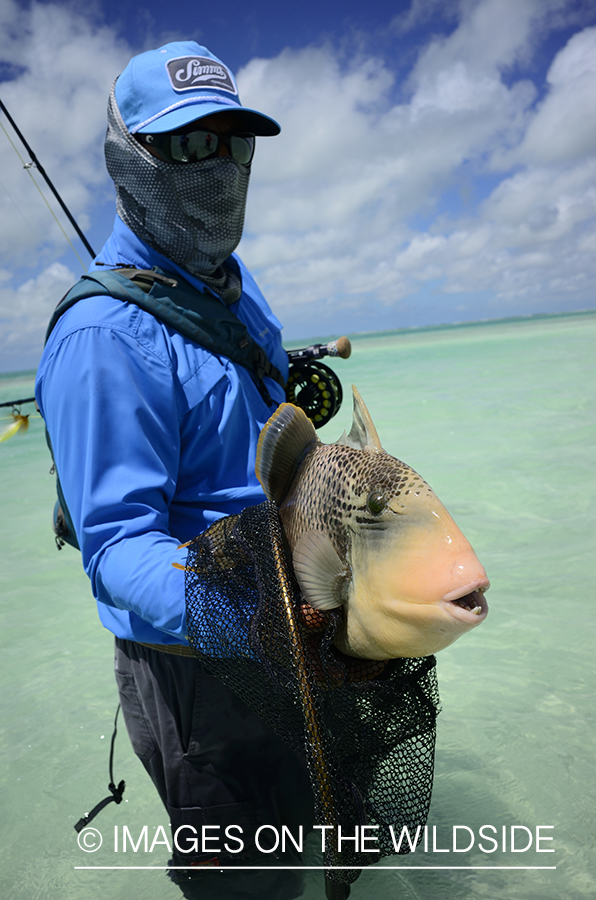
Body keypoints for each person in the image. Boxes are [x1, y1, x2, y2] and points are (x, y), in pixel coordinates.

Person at [35, 41, 313, 898]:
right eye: (191, 145)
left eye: (235, 142)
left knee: (309, 841)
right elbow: (116, 547)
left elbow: (235, 409)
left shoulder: (225, 280)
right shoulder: (100, 341)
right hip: (195, 669)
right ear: (133, 157)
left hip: (284, 624)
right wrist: (258, 622)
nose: (220, 167)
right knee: (248, 885)